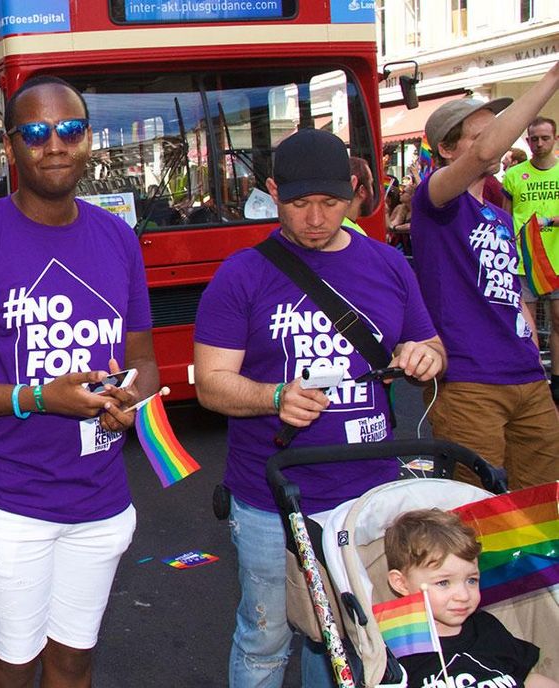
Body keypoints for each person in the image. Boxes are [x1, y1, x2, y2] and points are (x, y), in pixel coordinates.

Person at [0, 75, 159, 688]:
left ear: (89, 141)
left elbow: (145, 360)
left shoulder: (118, 240)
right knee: (13, 665)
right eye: (36, 132)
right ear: (9, 147)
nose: (55, 145)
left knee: (75, 661)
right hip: (6, 501)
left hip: (100, 499)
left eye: (70, 130)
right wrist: (37, 398)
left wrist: (131, 398)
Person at [194, 128, 445, 688]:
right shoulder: (243, 273)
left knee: (345, 639)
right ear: (272, 192)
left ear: (355, 191)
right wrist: (273, 396)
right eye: (298, 204)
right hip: (271, 498)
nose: (314, 219)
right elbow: (211, 385)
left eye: (330, 204)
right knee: (266, 637)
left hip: (371, 493)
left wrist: (422, 356)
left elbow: (432, 345)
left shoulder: (387, 264)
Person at [410, 67, 559, 490]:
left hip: (526, 376)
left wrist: (530, 337)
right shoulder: (437, 198)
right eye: (480, 135)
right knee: (476, 510)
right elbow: (481, 156)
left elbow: (506, 285)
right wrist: (553, 75)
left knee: (543, 505)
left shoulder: (495, 212)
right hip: (469, 380)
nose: (495, 142)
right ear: (445, 149)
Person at [384, 509, 556, 688]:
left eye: (471, 580)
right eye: (443, 583)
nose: (464, 595)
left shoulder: (485, 626)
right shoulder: (398, 649)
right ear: (401, 584)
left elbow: (528, 678)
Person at [503, 116, 559, 401]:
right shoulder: (514, 175)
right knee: (528, 327)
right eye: (534, 139)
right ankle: (535, 380)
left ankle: (558, 385)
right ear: (527, 140)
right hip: (524, 262)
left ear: (555, 139)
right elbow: (505, 216)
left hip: (556, 261)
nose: (539, 144)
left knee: (558, 324)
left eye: (545, 138)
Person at [342, 156, 374, 236]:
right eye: (371, 184)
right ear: (362, 191)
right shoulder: (353, 234)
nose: (373, 192)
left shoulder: (333, 226)